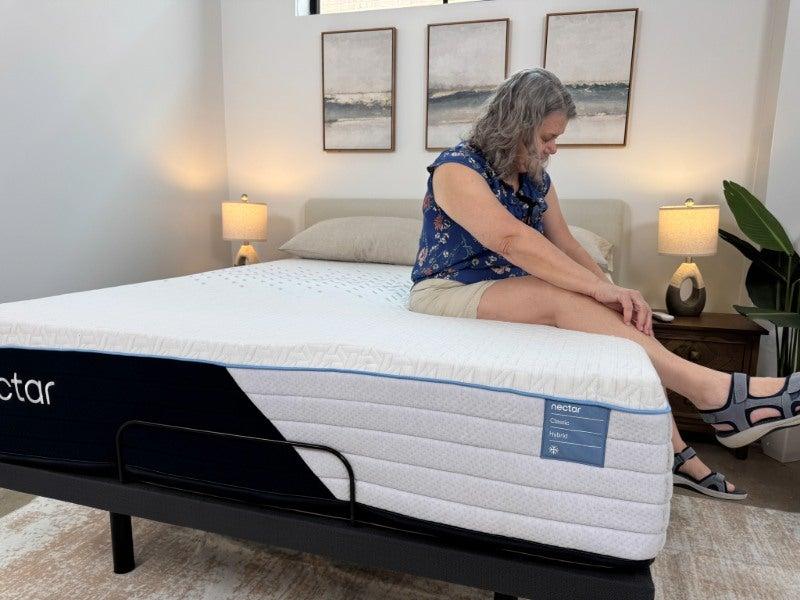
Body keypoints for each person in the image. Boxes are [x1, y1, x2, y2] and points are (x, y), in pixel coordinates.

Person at [408, 68, 800, 501]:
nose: (553, 148)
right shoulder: (456, 168)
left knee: (617, 319)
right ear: (515, 126)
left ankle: (678, 452)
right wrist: (597, 291)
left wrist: (614, 292)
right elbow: (511, 240)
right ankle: (717, 393)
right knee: (559, 295)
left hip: (512, 286)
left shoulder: (535, 176)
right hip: (447, 289)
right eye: (546, 137)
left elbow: (565, 242)